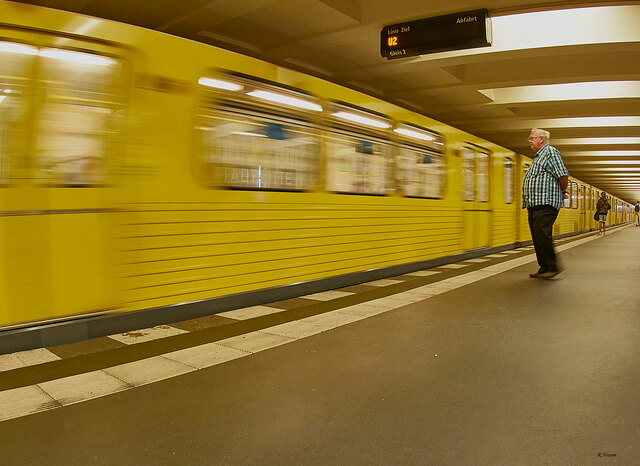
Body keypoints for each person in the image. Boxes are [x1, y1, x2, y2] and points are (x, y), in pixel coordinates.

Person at [522, 128, 569, 279]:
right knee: (537, 235)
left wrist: (563, 190)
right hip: (534, 203)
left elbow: (562, 173)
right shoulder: (538, 157)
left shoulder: (550, 152)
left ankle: (552, 266)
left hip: (546, 202)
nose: (529, 140)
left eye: (532, 138)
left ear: (541, 139)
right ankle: (544, 267)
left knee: (542, 233)